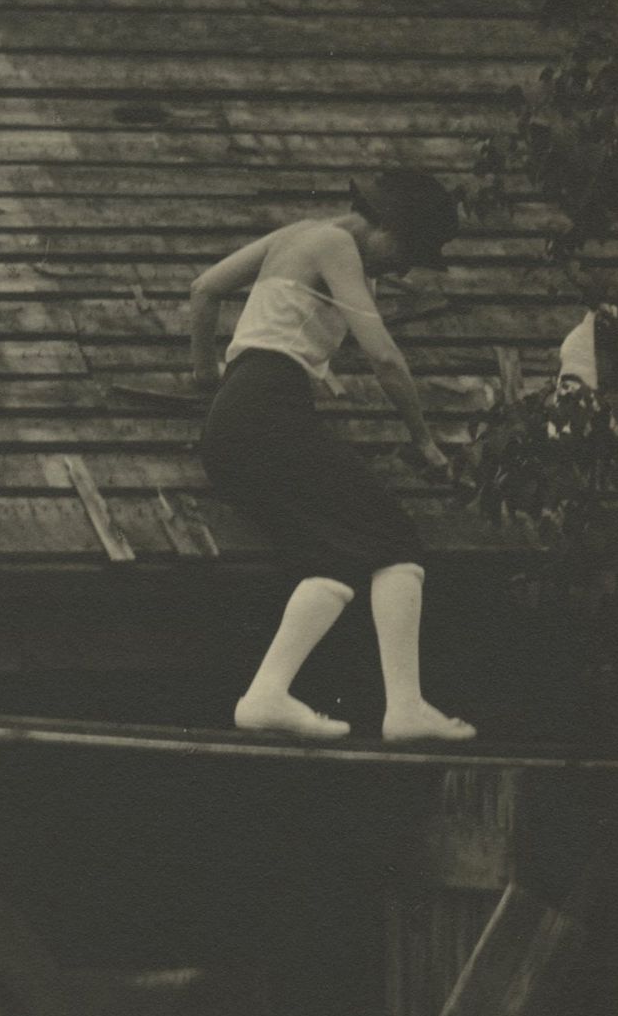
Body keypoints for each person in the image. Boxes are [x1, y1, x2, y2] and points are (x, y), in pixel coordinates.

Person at [191, 171, 476, 743]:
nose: (400, 271)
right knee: (394, 539)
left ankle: (266, 695)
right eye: (407, 255)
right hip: (270, 410)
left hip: (234, 418)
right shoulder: (337, 243)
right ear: (388, 231)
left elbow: (204, 289)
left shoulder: (294, 235)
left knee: (331, 555)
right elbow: (385, 358)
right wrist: (423, 440)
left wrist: (206, 375)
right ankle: (407, 707)